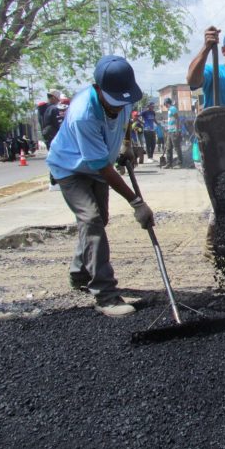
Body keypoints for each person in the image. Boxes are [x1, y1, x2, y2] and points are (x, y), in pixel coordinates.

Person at [46, 55, 155, 317]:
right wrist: (136, 202)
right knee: (91, 218)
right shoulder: (84, 113)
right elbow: (103, 169)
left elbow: (126, 120)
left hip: (97, 164)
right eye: (114, 102)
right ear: (98, 89)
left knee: (100, 219)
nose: (119, 107)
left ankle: (79, 272)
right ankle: (105, 295)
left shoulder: (123, 98)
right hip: (70, 168)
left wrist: (127, 144)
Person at [163, 97, 183, 168]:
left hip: (174, 131)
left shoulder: (172, 109)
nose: (164, 105)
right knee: (168, 148)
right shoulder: (169, 110)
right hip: (170, 131)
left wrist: (177, 130)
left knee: (177, 147)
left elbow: (177, 119)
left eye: (164, 104)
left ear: (166, 103)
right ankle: (169, 163)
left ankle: (180, 163)